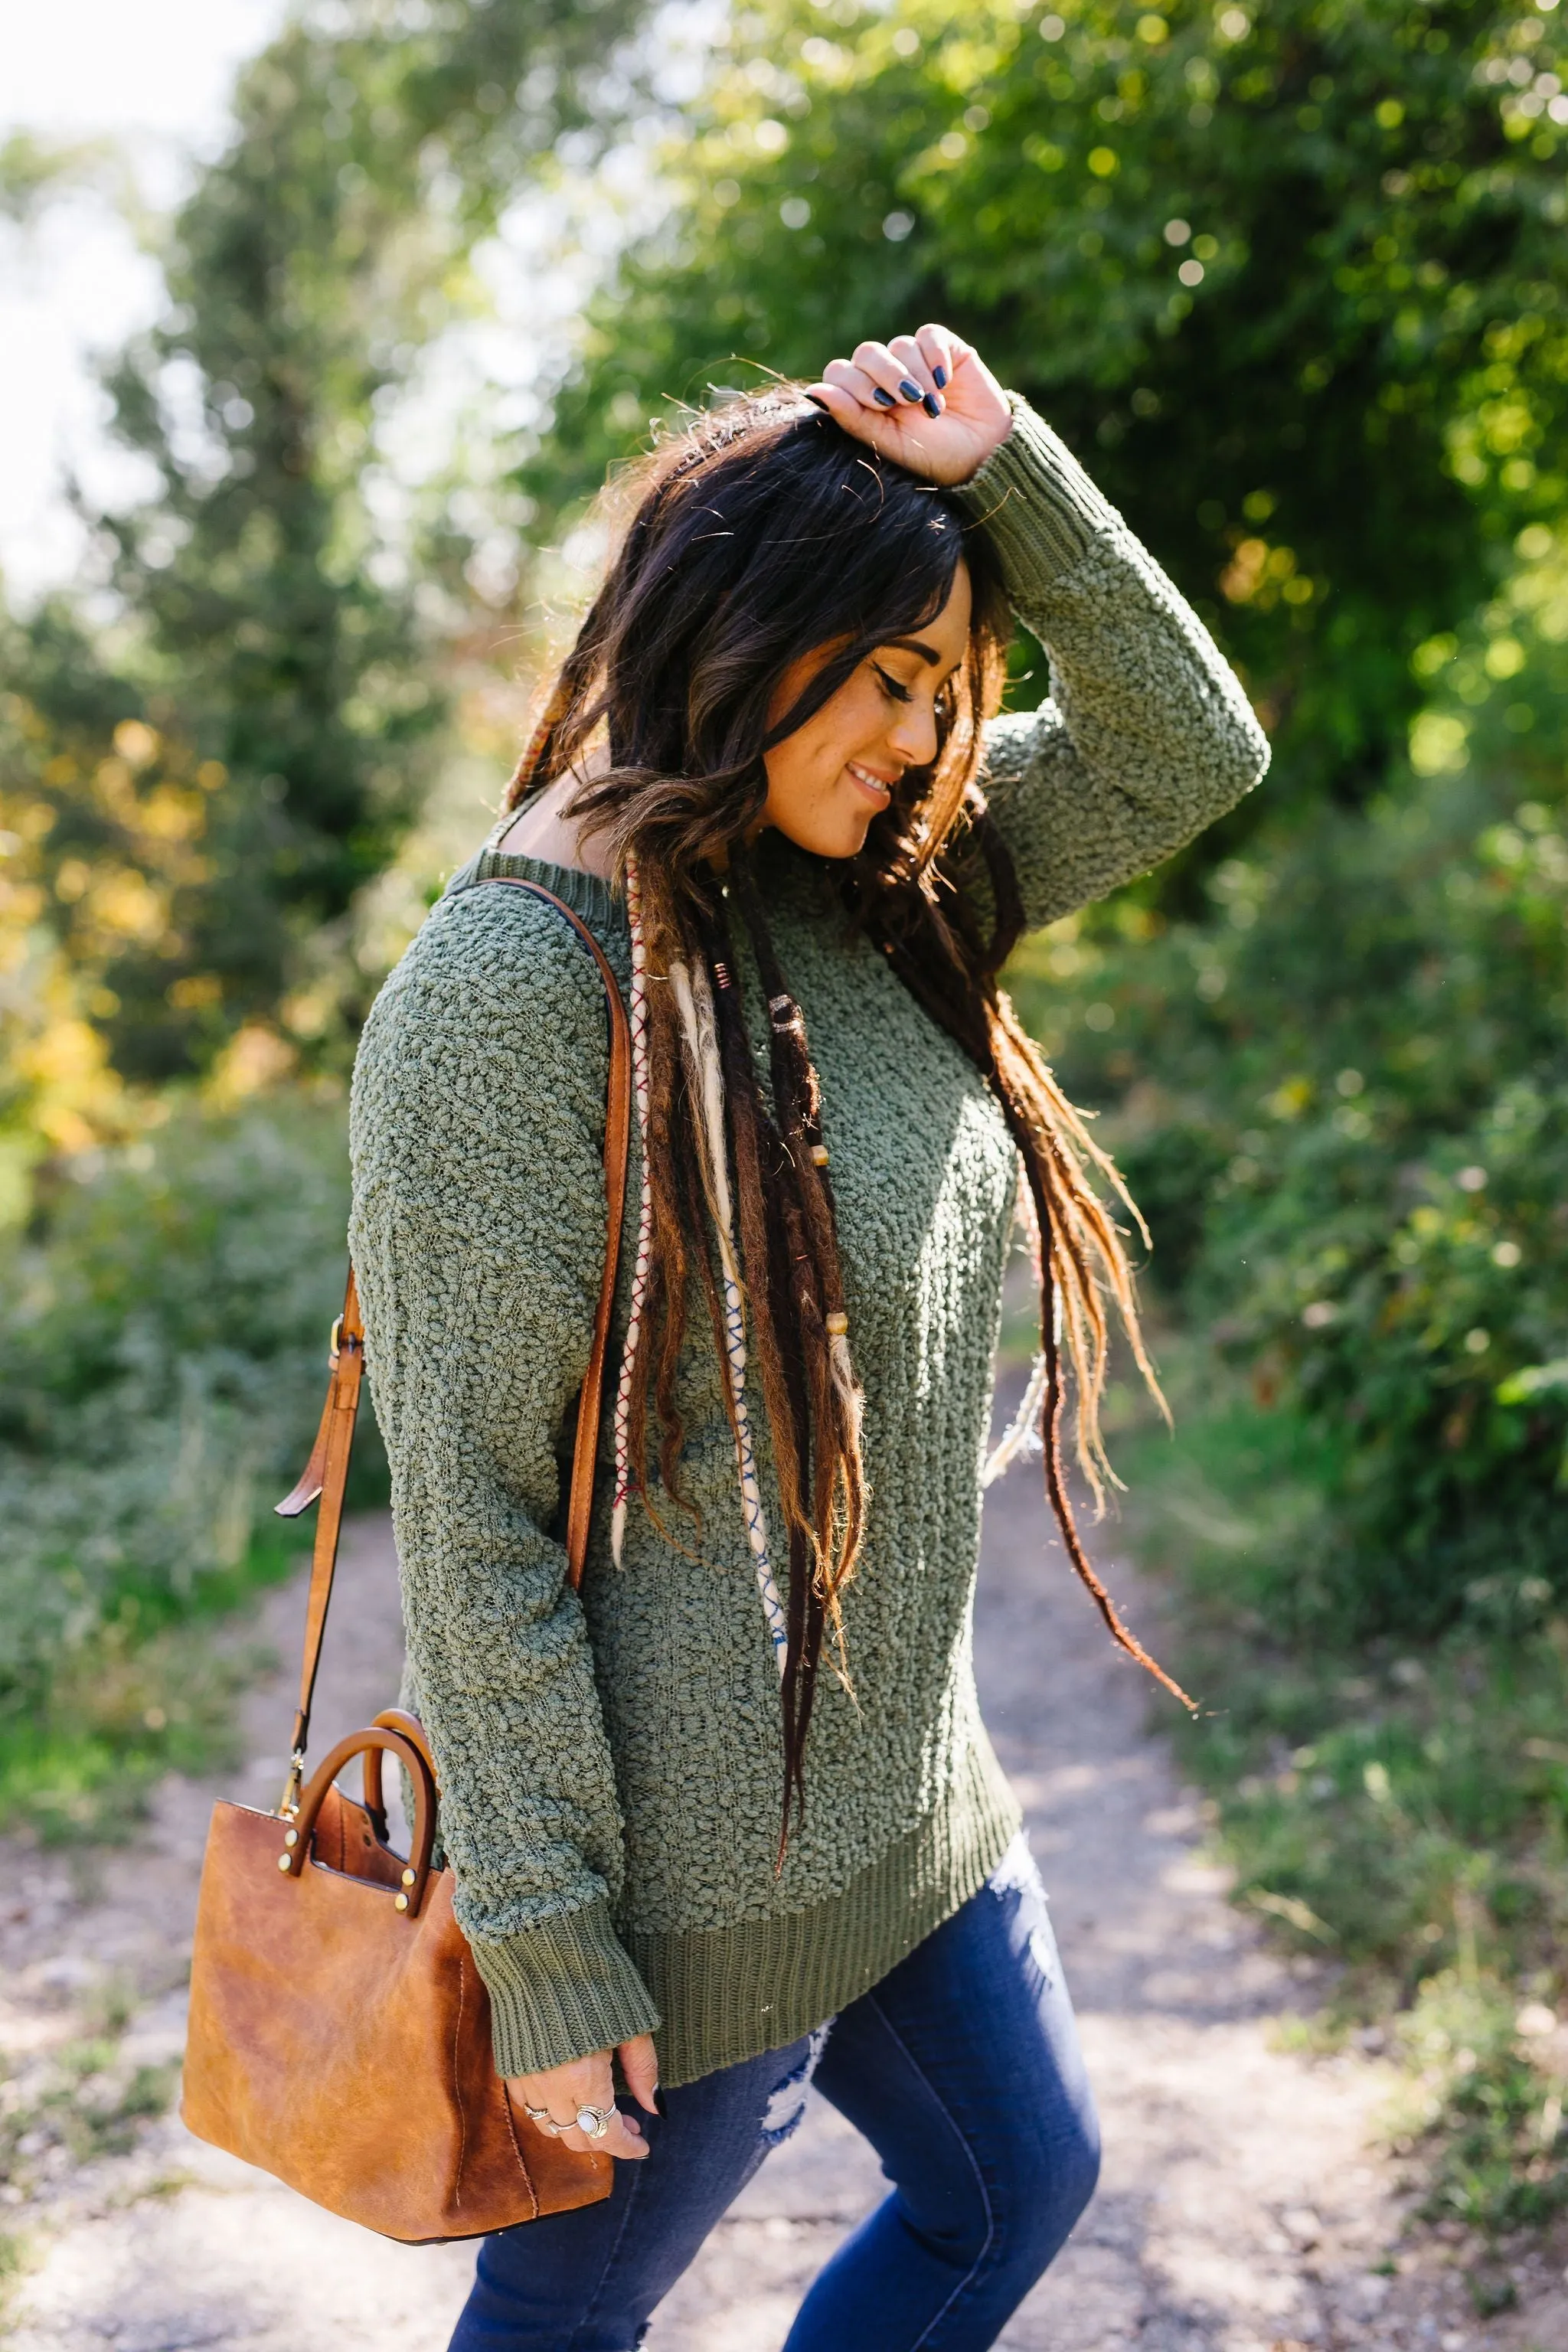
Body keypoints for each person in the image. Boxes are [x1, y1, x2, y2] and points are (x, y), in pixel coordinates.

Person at [349, 324, 1268, 2350]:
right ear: (748, 636)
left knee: (1018, 2185)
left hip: (913, 1807)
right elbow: (481, 1525)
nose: (931, 739)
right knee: (563, 2323)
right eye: (891, 680)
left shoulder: (884, 882)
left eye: (957, 691)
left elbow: (1190, 747)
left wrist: (1007, 465)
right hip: (692, 1902)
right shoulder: (515, 992)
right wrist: (553, 1962)